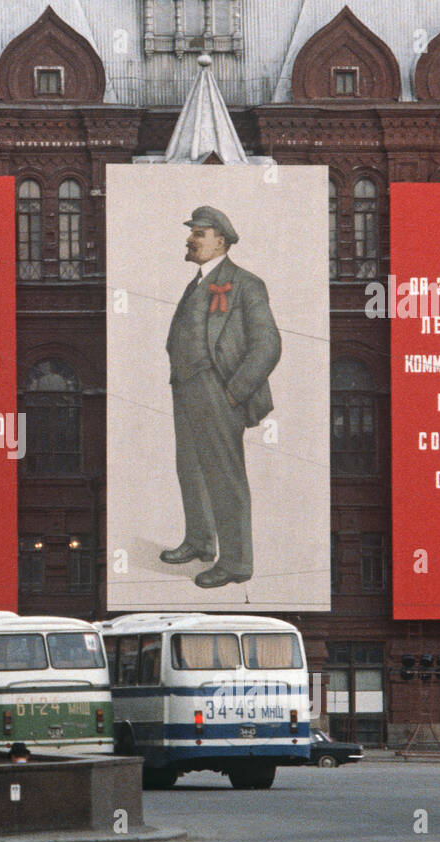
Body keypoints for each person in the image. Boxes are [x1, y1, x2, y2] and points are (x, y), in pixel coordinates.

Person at [159, 206, 282, 589]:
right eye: (192, 232)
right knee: (190, 468)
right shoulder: (197, 282)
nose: (190, 239)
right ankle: (199, 542)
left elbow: (268, 345)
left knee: (224, 477)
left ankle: (236, 563)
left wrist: (233, 392)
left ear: (221, 241)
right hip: (186, 388)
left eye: (199, 232)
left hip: (218, 391)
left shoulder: (246, 284)